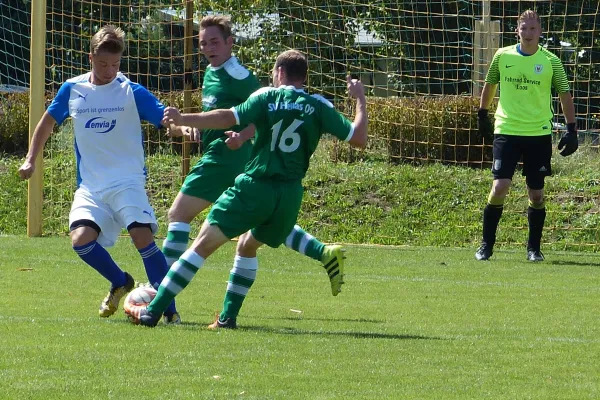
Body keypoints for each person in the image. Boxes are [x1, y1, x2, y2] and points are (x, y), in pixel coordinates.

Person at [130, 49, 368, 328]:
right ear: (305, 77)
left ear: (279, 73)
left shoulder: (267, 96)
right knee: (247, 245)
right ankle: (227, 318)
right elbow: (359, 138)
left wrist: (184, 118)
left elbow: (225, 118)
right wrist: (361, 99)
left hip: (256, 186)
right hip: (289, 196)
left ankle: (154, 310)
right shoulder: (318, 106)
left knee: (201, 245)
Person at [18, 25, 181, 323]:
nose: (109, 70)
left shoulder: (130, 91)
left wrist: (185, 128)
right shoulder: (73, 88)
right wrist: (30, 160)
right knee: (80, 239)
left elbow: (166, 119)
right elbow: (46, 125)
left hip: (128, 180)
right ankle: (121, 281)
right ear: (91, 57)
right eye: (103, 63)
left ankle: (170, 312)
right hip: (91, 186)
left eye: (115, 64)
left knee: (142, 237)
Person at [475, 10, 577, 262]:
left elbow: (564, 94)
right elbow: (490, 85)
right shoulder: (502, 56)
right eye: (524, 28)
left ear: (540, 32)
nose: (528, 33)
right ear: (517, 31)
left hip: (538, 133)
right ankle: (486, 245)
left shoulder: (551, 61)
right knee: (500, 187)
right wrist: (482, 114)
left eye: (533, 29)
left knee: (537, 194)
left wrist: (571, 128)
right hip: (507, 130)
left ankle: (533, 249)